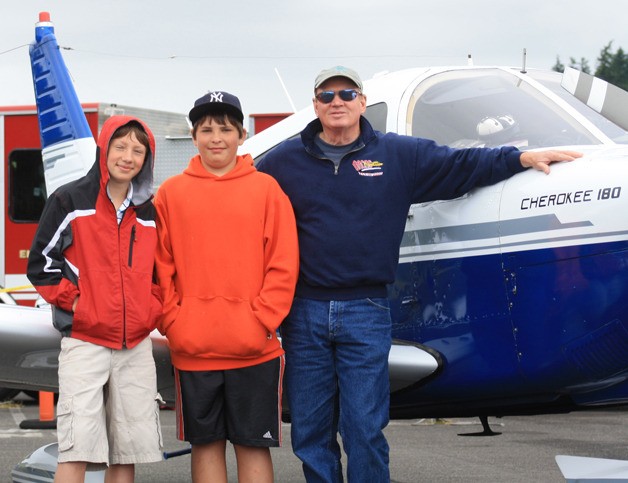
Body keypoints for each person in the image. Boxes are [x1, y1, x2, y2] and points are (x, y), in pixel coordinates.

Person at [256, 65, 583, 482]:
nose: (336, 102)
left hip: (366, 308)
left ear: (361, 102)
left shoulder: (397, 154)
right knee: (310, 431)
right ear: (315, 105)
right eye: (326, 95)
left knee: (364, 428)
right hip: (303, 312)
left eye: (346, 94)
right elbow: (243, 203)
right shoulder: (283, 161)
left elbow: (462, 164)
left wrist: (519, 157)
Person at [153, 91, 299, 483]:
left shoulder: (267, 190)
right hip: (193, 350)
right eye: (206, 129)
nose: (216, 137)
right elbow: (159, 269)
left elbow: (283, 265)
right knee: (205, 446)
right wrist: (173, 321)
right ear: (193, 135)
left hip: (255, 350)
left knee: (253, 444)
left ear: (241, 134)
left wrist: (262, 321)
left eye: (225, 129)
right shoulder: (170, 194)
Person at [27, 115, 164, 483]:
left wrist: (148, 310)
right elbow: (40, 264)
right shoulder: (70, 200)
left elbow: (159, 274)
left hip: (135, 345)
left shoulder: (149, 213)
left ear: (146, 160)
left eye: (138, 150)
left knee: (126, 452)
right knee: (77, 448)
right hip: (85, 341)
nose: (128, 157)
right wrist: (78, 305)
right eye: (120, 147)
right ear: (103, 149)